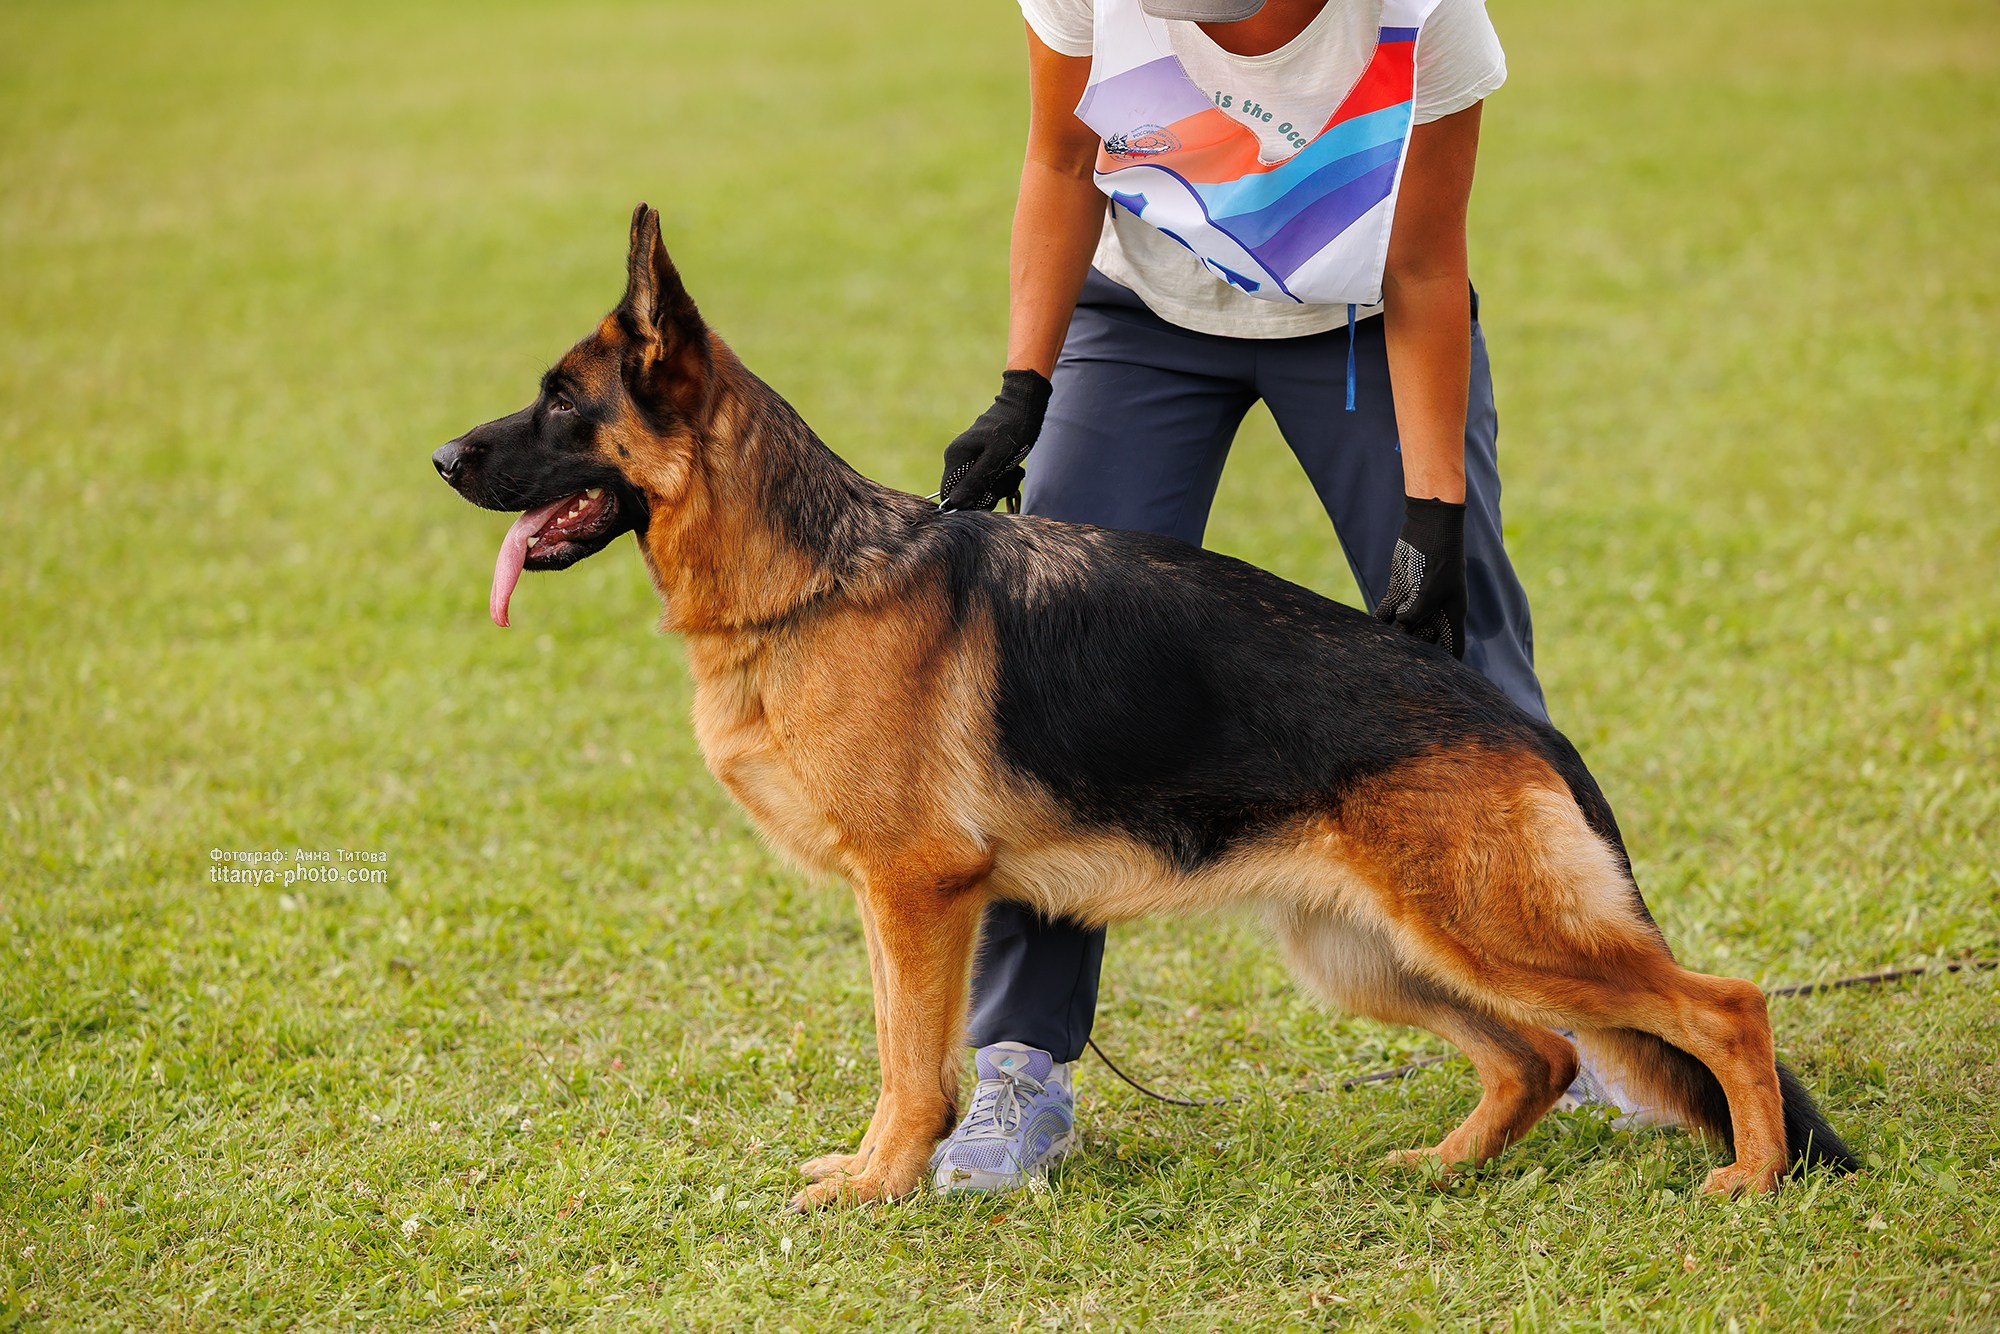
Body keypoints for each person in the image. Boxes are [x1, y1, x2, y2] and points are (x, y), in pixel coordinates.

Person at [926, 0, 1653, 1194]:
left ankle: (1628, 1024)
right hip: (1142, 313)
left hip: (1363, 323)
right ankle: (1019, 1062)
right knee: (1053, 683)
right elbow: (1061, 157)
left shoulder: (1419, 17)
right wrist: (1022, 384)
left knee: (1471, 668)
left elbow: (1423, 261)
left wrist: (1430, 515)